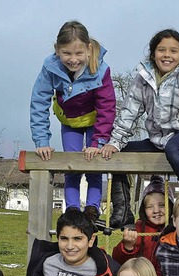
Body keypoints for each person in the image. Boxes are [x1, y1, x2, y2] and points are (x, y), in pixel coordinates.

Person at [101, 28, 179, 228]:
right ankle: (122, 211)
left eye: (173, 51)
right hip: (159, 139)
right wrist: (115, 141)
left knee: (175, 148)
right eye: (161, 50)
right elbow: (130, 110)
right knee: (120, 154)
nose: (167, 55)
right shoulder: (143, 79)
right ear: (153, 53)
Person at [30, 20, 115, 225]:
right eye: (67, 53)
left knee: (93, 163)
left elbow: (107, 106)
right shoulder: (50, 67)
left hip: (95, 120)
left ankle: (92, 209)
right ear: (57, 50)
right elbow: (38, 101)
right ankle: (73, 209)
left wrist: (98, 143)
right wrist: (42, 141)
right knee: (72, 165)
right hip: (69, 121)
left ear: (88, 49)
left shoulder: (100, 69)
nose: (73, 59)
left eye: (78, 54)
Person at [111, 175, 173, 271]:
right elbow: (118, 260)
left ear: (171, 207)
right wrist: (127, 246)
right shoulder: (139, 229)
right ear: (143, 210)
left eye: (162, 205)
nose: (156, 210)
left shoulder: (175, 228)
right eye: (150, 207)